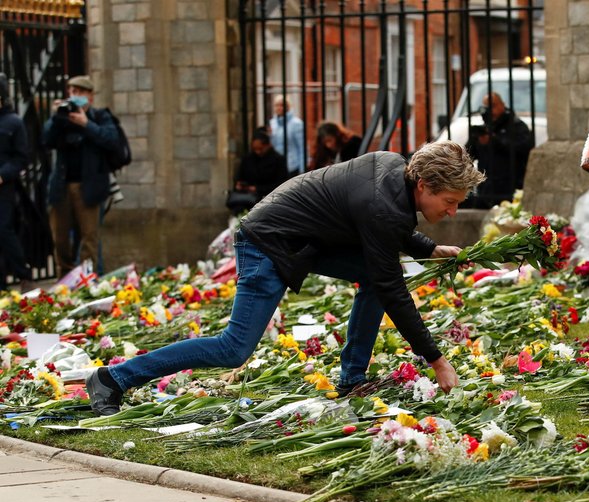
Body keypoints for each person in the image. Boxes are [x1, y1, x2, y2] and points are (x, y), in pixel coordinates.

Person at [86, 141, 485, 416]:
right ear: (424, 185)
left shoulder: (393, 169)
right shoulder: (384, 204)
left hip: (298, 239)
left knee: (376, 277)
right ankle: (111, 379)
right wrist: (437, 360)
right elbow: (390, 273)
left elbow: (384, 229)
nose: (452, 212)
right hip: (267, 243)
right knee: (233, 349)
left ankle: (351, 380)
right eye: (449, 202)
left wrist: (428, 249)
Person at [42, 75, 119, 279]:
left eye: (80, 92)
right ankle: (65, 277)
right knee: (60, 238)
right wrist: (56, 118)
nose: (75, 96)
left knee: (89, 238)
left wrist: (87, 124)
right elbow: (46, 140)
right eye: (72, 91)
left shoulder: (100, 117)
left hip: (90, 187)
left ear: (90, 97)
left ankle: (87, 278)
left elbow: (112, 141)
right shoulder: (62, 118)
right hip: (62, 186)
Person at [465, 92, 533, 209]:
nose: (490, 110)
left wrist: (495, 141)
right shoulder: (485, 129)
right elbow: (467, 155)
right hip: (486, 190)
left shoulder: (517, 126)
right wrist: (478, 140)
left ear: (503, 105)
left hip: (511, 188)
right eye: (487, 107)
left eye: (494, 105)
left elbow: (523, 149)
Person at [0, 75, 34, 292]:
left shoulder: (14, 122)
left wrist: (3, 175)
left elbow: (22, 157)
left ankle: (24, 275)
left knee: (3, 229)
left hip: (4, 186)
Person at [233, 127, 290, 202]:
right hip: (247, 198)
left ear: (268, 145)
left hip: (270, 198)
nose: (258, 152)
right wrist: (240, 185)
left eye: (261, 148)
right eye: (255, 149)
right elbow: (240, 176)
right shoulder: (247, 159)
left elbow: (281, 183)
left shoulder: (278, 160)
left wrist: (257, 188)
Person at [268, 95, 305, 177]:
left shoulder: (296, 124)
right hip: (275, 167)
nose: (279, 108)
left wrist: (303, 170)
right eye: (276, 105)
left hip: (292, 166)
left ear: (288, 107)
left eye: (282, 105)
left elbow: (302, 147)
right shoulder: (272, 123)